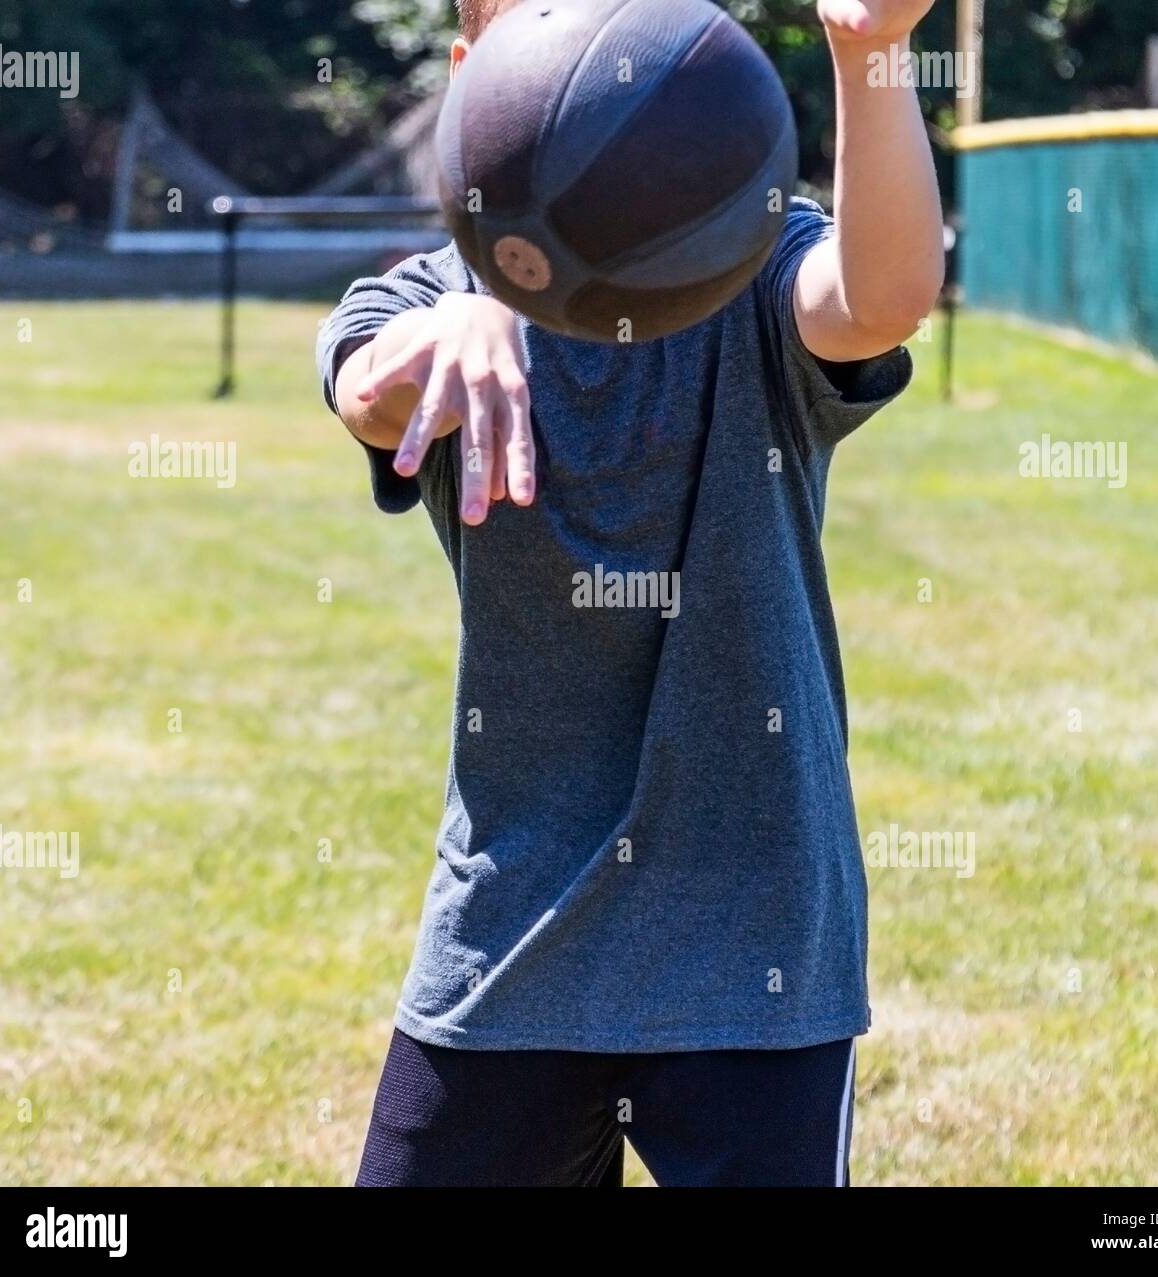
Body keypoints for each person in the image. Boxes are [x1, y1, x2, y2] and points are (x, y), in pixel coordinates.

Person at [317, 0, 943, 1187]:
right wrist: (454, 324)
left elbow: (879, 299)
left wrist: (869, 53)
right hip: (511, 916)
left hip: (752, 924)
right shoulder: (417, 305)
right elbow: (369, 391)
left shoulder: (753, 269)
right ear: (473, 78)